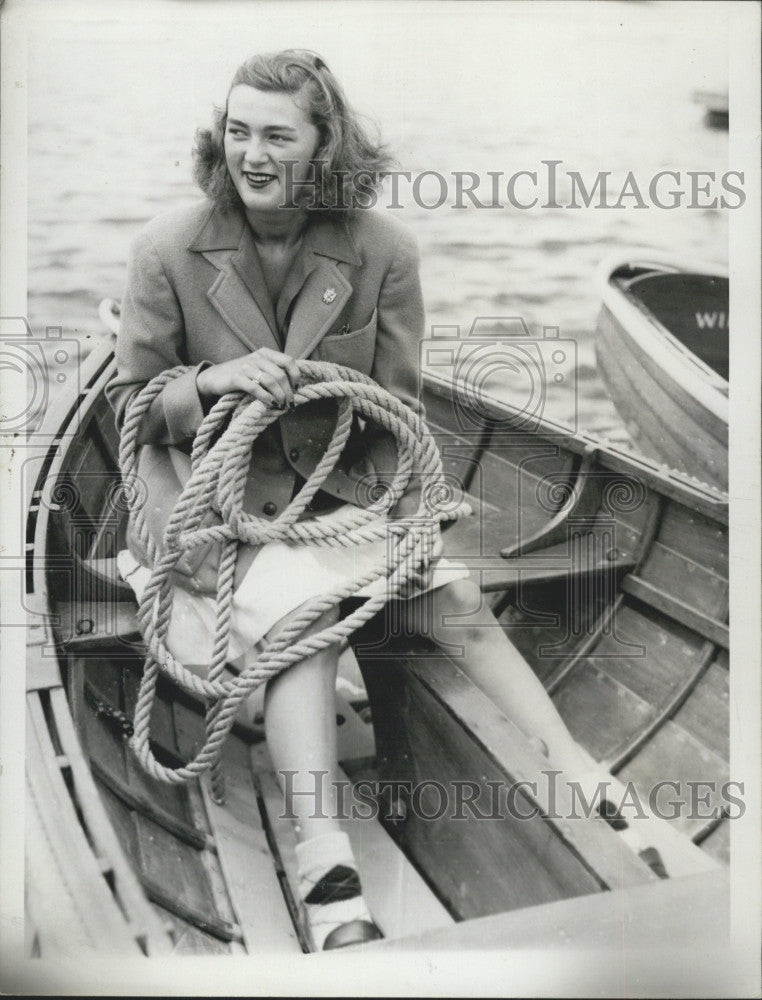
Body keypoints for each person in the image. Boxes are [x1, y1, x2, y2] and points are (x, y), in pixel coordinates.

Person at [107, 49, 660, 952]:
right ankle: (328, 877)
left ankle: (583, 774)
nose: (253, 153)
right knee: (300, 625)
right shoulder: (167, 249)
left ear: (324, 145)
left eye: (278, 135)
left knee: (458, 598)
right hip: (209, 511)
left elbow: (395, 413)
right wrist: (215, 383)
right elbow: (136, 407)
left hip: (344, 499)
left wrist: (385, 515)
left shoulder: (384, 252)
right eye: (238, 131)